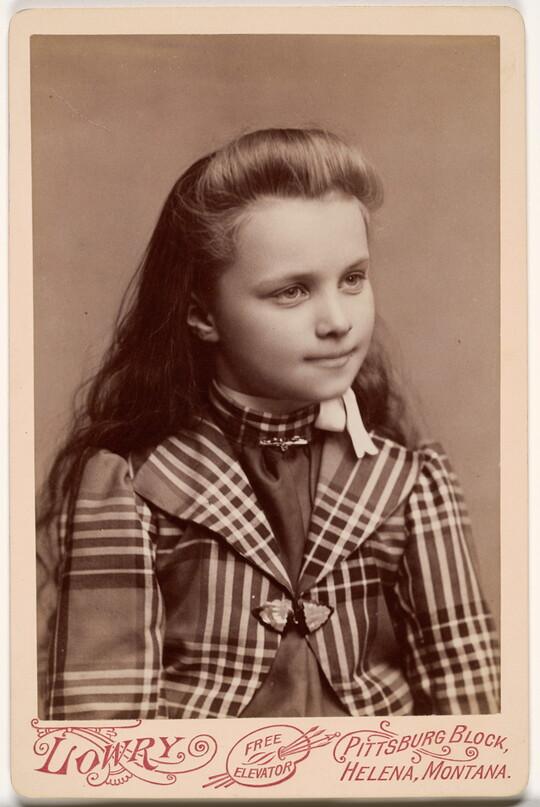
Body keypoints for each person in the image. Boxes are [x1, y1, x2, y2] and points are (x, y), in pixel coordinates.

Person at [37, 127, 500, 720]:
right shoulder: (131, 483)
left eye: (352, 279)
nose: (338, 320)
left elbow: (472, 697)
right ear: (203, 315)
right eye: (291, 291)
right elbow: (98, 727)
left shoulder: (408, 479)